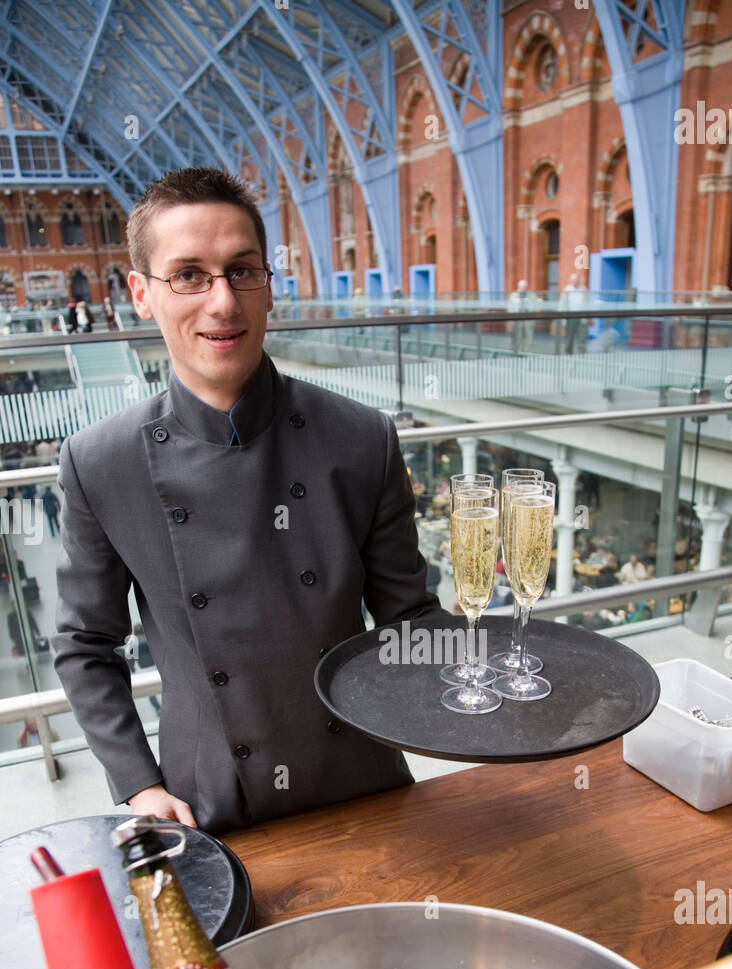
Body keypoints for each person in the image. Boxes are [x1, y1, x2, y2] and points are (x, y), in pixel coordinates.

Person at [52, 166, 440, 834]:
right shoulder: (99, 462)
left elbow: (409, 619)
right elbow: (86, 643)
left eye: (242, 270)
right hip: (210, 802)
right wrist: (140, 784)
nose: (223, 303)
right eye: (190, 275)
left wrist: (489, 679)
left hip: (364, 782)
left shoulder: (361, 437)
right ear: (142, 294)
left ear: (270, 285)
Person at [558, 273, 588, 354]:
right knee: (569, 338)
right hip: (570, 317)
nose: (574, 283)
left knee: (581, 338)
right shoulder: (567, 290)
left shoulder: (583, 290)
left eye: (576, 281)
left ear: (579, 281)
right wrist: (563, 318)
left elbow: (587, 304)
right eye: (573, 281)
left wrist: (589, 318)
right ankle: (569, 355)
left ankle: (582, 356)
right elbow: (562, 305)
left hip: (581, 317)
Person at [508, 280, 535, 354]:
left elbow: (535, 306)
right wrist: (511, 318)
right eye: (522, 287)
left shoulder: (532, 295)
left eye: (525, 287)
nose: (524, 288)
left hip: (528, 318)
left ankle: (528, 352)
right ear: (519, 287)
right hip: (517, 317)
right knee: (518, 335)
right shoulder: (513, 295)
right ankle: (518, 351)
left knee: (529, 335)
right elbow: (510, 307)